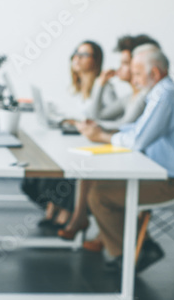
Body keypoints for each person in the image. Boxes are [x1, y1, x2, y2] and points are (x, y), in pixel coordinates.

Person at [78, 43, 174, 272]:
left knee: (99, 195)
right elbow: (136, 129)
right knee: (100, 187)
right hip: (170, 176)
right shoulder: (161, 94)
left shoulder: (164, 96)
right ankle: (140, 247)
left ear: (154, 73)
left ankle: (131, 256)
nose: (133, 80)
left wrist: (103, 136)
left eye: (137, 74)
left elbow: (137, 141)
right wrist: (104, 133)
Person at [58, 34, 155, 244]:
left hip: (142, 163)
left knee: (91, 174)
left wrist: (99, 130)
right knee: (86, 167)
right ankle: (90, 225)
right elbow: (100, 117)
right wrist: (100, 86)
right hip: (132, 153)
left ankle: (105, 232)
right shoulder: (129, 96)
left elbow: (125, 127)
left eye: (125, 63)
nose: (120, 68)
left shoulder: (145, 96)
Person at [22, 40, 112, 230]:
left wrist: (100, 86)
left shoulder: (104, 87)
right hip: (80, 136)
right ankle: (55, 207)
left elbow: (103, 118)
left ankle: (66, 211)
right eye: (76, 53)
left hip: (96, 142)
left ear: (96, 61)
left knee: (63, 166)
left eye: (84, 55)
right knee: (47, 164)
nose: (77, 58)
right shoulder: (77, 86)